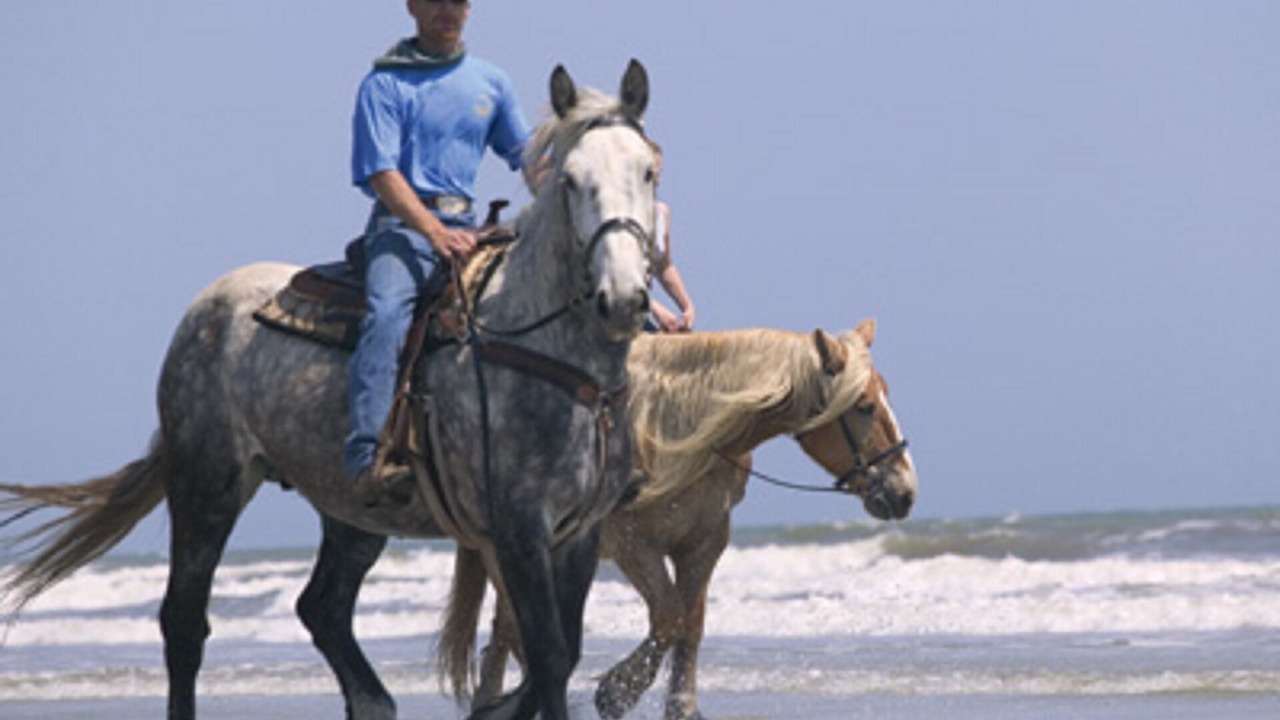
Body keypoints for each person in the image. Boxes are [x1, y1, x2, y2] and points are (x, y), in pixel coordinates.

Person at [345, 0, 530, 498]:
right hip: (402, 228)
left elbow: (527, 157)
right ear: (412, 6)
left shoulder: (491, 81)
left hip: (468, 227)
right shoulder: (384, 84)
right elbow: (382, 173)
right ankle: (366, 455)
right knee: (386, 315)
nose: (449, 11)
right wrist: (432, 230)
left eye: (459, 1)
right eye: (436, 1)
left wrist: (574, 185)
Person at [646, 141, 696, 332]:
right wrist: (655, 309)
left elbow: (664, 266)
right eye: (652, 172)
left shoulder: (660, 213)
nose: (658, 180)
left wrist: (687, 306)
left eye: (660, 171)